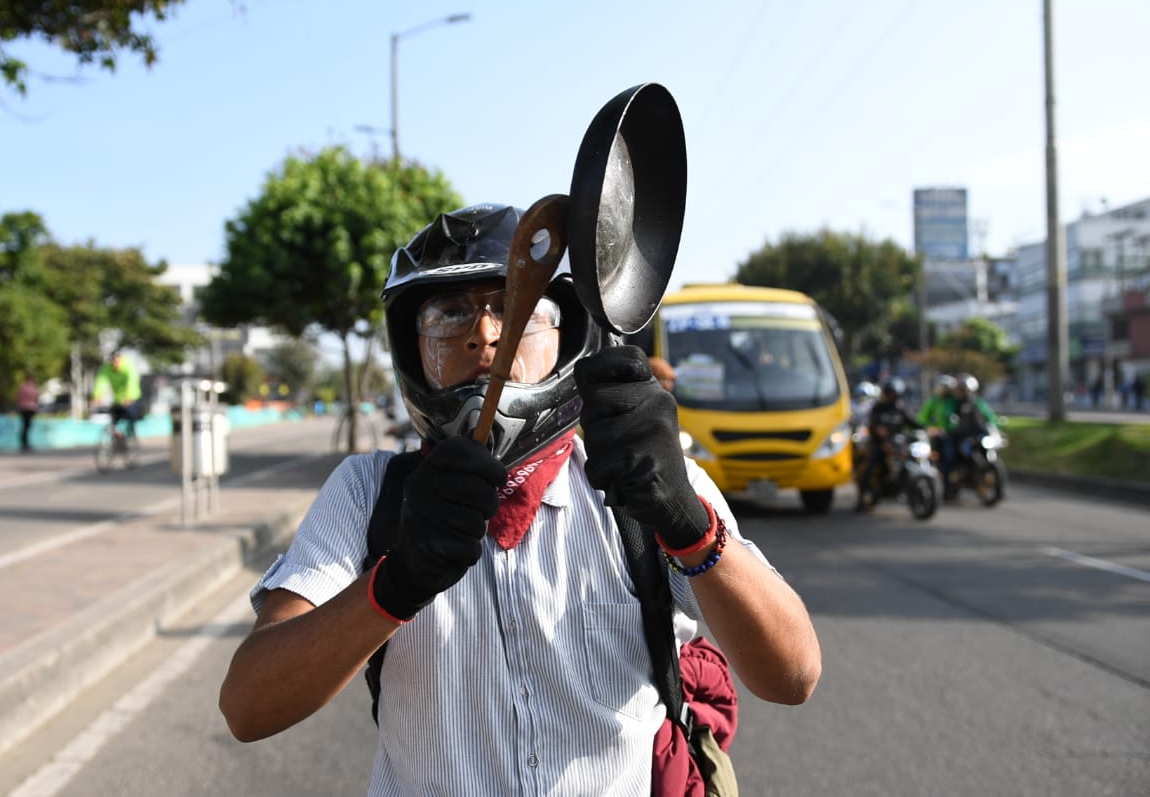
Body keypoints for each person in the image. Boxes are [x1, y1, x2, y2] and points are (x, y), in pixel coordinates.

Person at [218, 203, 821, 794]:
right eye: (449, 316)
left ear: (566, 336)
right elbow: (248, 707)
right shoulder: (368, 493)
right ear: (412, 351)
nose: (484, 334)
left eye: (518, 310)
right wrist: (395, 582)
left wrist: (687, 522)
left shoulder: (643, 482)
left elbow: (793, 674)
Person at [856, 378, 921, 510]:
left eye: (892, 393)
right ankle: (864, 497)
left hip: (898, 444)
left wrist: (926, 428)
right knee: (869, 467)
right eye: (888, 393)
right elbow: (874, 424)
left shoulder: (900, 408)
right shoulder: (878, 408)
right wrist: (879, 432)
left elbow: (912, 422)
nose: (890, 396)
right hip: (880, 444)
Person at [91, 352, 142, 439]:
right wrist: (97, 396)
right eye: (113, 361)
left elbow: (132, 382)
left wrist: (129, 397)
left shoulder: (128, 367)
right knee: (113, 417)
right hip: (118, 400)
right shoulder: (107, 369)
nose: (115, 363)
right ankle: (117, 434)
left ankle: (131, 434)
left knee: (131, 415)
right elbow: (101, 381)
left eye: (117, 361)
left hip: (132, 398)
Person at [16, 374, 40, 452]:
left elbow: (18, 397)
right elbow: (36, 397)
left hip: (24, 408)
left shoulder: (22, 387)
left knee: (25, 427)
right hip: (29, 408)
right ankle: (25, 444)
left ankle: (25, 444)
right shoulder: (33, 387)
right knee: (27, 427)